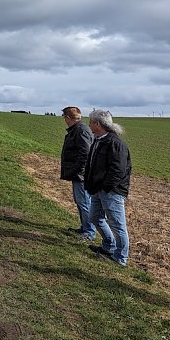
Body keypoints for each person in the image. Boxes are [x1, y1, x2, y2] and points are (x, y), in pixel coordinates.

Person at [84, 109, 132, 266]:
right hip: (98, 189)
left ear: (98, 124)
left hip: (111, 192)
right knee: (95, 218)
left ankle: (120, 258)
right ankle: (108, 246)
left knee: (118, 225)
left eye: (91, 122)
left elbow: (118, 170)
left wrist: (106, 187)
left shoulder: (115, 143)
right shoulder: (99, 140)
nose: (89, 125)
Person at [59, 106, 95, 241]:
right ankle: (84, 227)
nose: (64, 120)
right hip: (79, 173)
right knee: (81, 202)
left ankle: (89, 232)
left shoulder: (80, 130)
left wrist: (78, 170)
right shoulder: (79, 129)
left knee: (84, 202)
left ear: (68, 118)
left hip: (82, 175)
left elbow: (85, 153)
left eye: (64, 117)